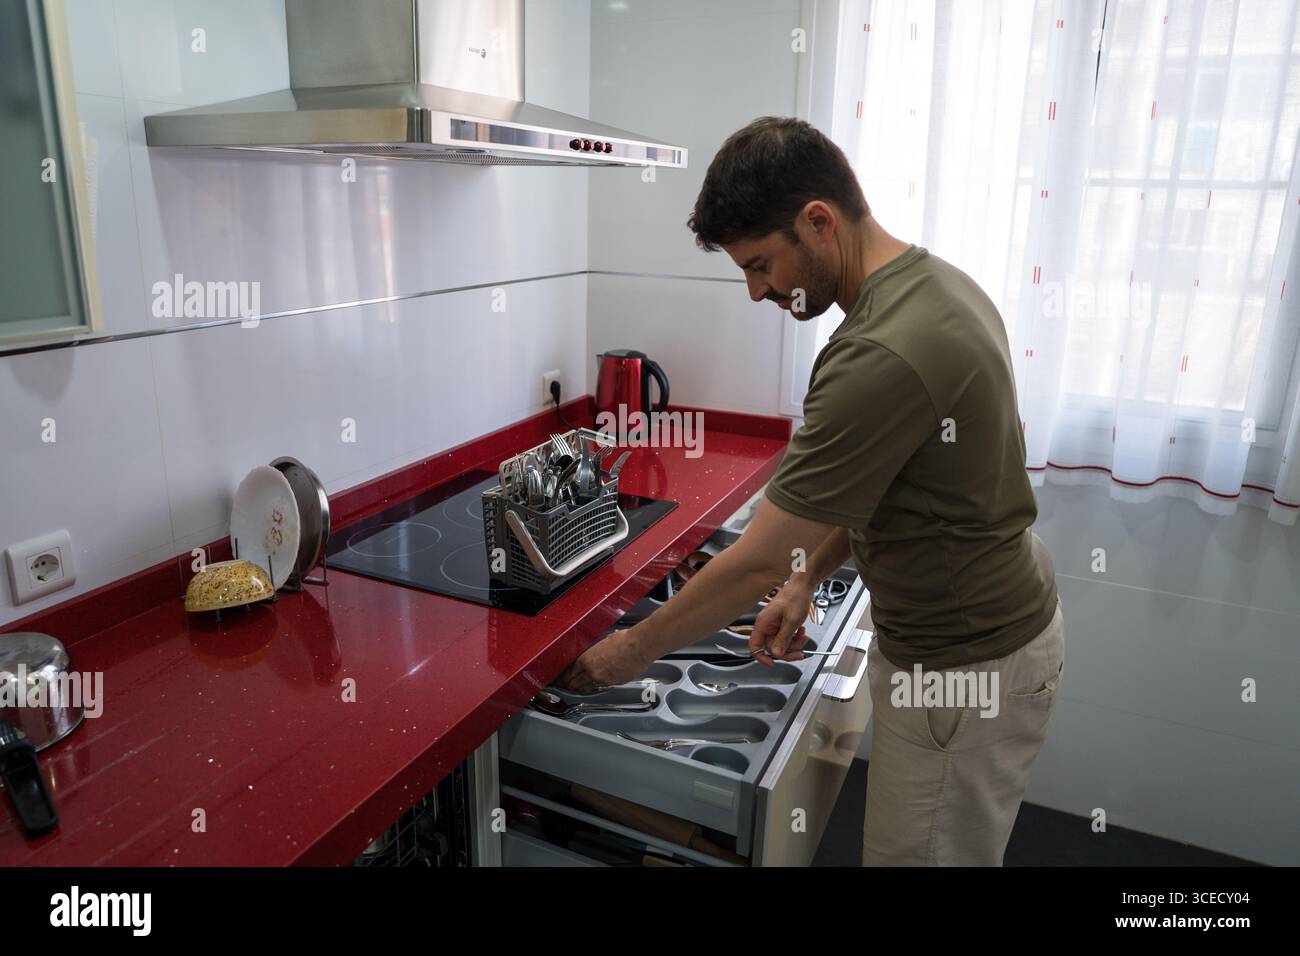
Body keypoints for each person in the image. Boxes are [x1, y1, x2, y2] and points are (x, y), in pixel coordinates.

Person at [558, 116, 1063, 866]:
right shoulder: (934, 287)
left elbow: (760, 561)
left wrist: (621, 657)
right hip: (987, 633)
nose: (758, 291)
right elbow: (881, 487)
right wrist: (808, 576)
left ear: (818, 222)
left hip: (961, 666)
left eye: (761, 264)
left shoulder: (880, 350)